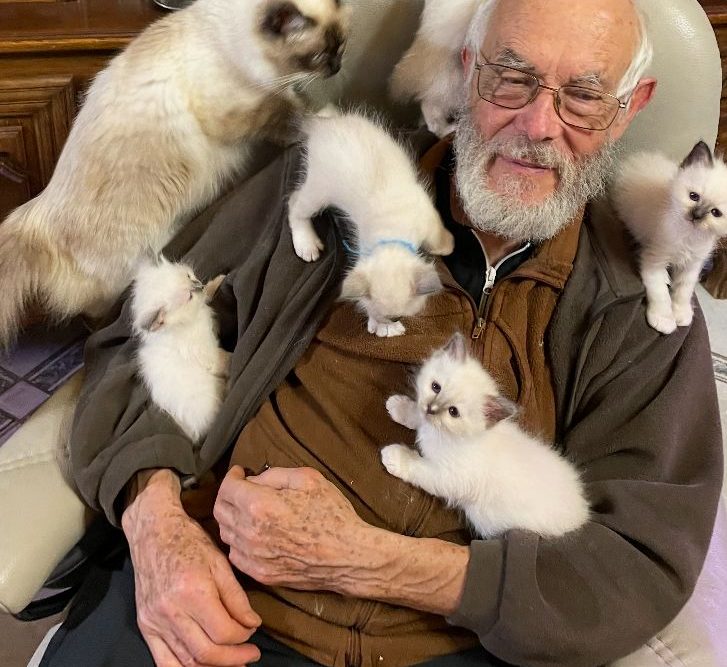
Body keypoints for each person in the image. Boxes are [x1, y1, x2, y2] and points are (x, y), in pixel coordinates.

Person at [42, 0, 723, 666]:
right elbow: (140, 333)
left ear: (629, 108)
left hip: (447, 644)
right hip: (215, 600)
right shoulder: (335, 173)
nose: (539, 126)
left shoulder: (642, 306)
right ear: (467, 70)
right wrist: (158, 527)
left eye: (584, 96)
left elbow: (641, 559)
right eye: (512, 78)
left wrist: (374, 562)